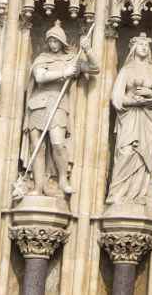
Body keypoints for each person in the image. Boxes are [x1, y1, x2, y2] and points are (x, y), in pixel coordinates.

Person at [20, 21, 97, 196]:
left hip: (59, 104)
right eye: (51, 41)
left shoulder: (72, 59)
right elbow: (39, 77)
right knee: (37, 147)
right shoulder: (42, 59)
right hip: (38, 104)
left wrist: (87, 50)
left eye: (56, 41)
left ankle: (63, 178)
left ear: (62, 43)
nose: (53, 45)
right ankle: (38, 186)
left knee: (58, 143)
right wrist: (65, 73)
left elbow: (95, 68)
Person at [105, 33, 152, 207]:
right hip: (129, 117)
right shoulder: (127, 70)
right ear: (133, 48)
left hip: (146, 120)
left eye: (147, 45)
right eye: (141, 44)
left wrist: (147, 96)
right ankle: (118, 193)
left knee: (142, 154)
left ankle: (138, 194)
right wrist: (131, 101)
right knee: (126, 151)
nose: (144, 47)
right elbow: (116, 97)